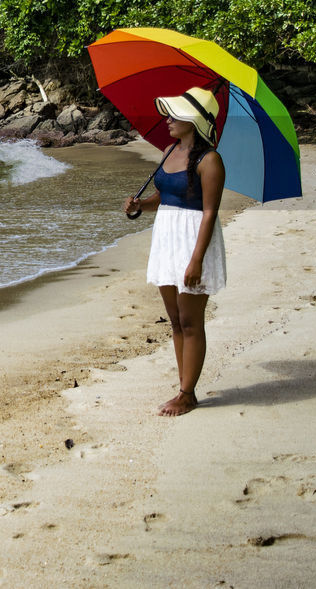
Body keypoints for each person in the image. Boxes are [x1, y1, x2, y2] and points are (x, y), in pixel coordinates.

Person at [122, 87, 226, 416]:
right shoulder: (169, 151)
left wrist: (196, 259)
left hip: (193, 241)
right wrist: (140, 205)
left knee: (191, 321)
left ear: (193, 121)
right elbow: (163, 198)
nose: (167, 119)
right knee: (176, 322)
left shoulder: (210, 161)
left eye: (174, 115)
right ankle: (185, 386)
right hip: (167, 239)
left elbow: (209, 212)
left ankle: (187, 393)